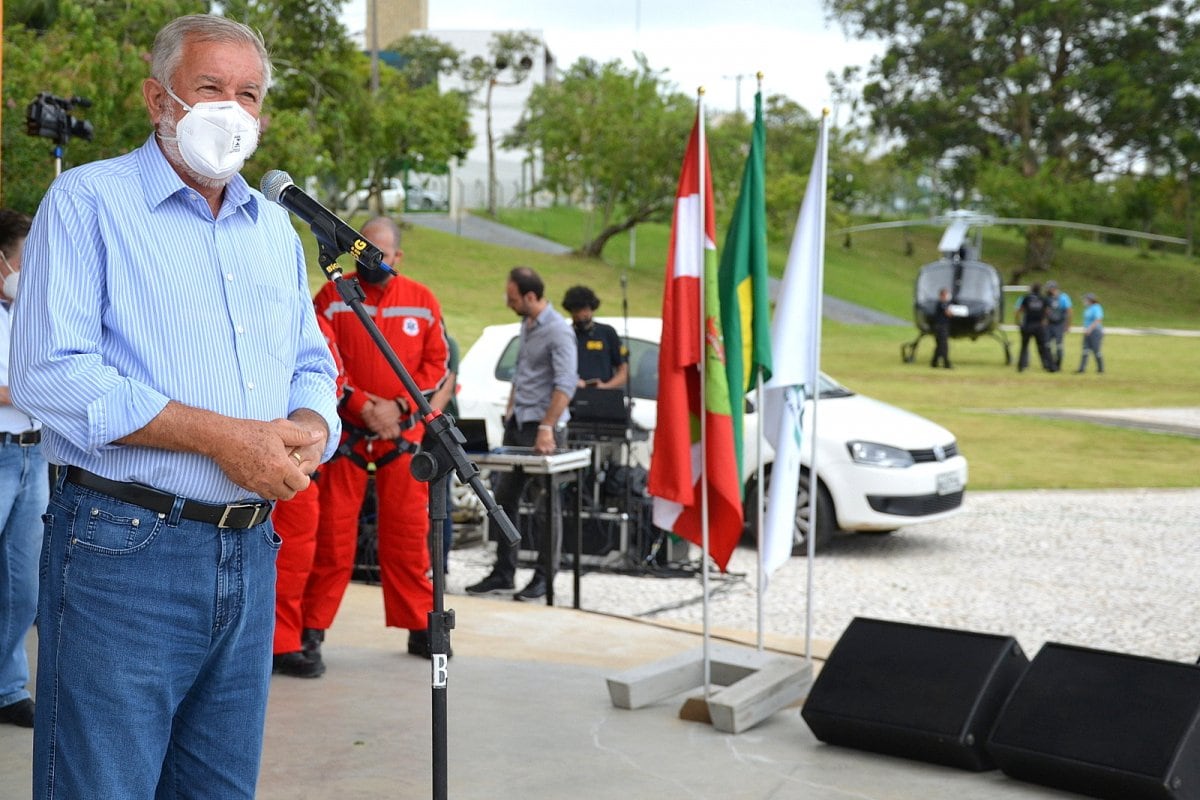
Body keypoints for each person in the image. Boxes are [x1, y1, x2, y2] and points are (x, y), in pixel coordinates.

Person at [9, 15, 340, 798]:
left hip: (250, 547)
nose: (233, 109)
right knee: (103, 785)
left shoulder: (272, 231)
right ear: (160, 98)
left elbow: (310, 360)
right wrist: (222, 439)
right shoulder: (88, 201)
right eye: (211, 88)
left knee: (218, 788)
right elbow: (49, 373)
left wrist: (313, 426)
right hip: (124, 548)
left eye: (249, 94)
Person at [305, 216, 450, 661]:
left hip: (402, 439)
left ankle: (420, 626)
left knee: (408, 538)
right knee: (330, 538)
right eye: (365, 250)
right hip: (346, 436)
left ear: (398, 257)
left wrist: (400, 409)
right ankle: (310, 629)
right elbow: (317, 354)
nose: (373, 259)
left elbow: (436, 365)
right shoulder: (332, 296)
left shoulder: (423, 301)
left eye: (382, 252)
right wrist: (360, 404)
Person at [466, 267, 578, 601]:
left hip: (545, 428)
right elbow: (524, 373)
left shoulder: (558, 331)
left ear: (530, 297)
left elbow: (566, 384)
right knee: (503, 498)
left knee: (547, 507)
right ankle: (504, 572)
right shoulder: (526, 324)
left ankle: (544, 580)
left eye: (513, 298)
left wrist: (546, 427)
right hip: (519, 424)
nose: (508, 302)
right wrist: (511, 409)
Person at [271, 315, 345, 679]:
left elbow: (328, 374)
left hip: (301, 454)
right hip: (241, 448)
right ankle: (276, 641)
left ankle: (293, 637)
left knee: (303, 552)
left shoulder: (312, 322)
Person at [0, 210, 45, 730]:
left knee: (22, 583)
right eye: (21, 257)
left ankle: (8, 687)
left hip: (34, 453)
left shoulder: (29, 311)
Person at [427, 333, 460, 574]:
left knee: (441, 502)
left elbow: (446, 387)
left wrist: (419, 420)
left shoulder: (450, 344)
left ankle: (440, 567)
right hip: (410, 427)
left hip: (436, 430)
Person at [561, 284, 628, 388]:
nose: (581, 315)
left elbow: (623, 371)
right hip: (573, 394)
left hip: (603, 397)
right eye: (577, 311)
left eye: (585, 310)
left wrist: (605, 386)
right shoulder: (565, 335)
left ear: (592, 309)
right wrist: (573, 381)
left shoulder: (607, 333)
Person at [1014, 281, 1055, 372]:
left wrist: (1018, 322)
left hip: (1028, 324)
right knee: (1043, 347)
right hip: (1039, 326)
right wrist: (1045, 321)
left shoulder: (1027, 298)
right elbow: (1048, 311)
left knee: (1024, 346)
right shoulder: (1043, 298)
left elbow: (1019, 310)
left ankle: (1021, 366)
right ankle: (1050, 367)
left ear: (1031, 289)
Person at [1045, 280, 1073, 372]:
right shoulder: (1047, 298)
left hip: (1059, 325)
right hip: (1049, 324)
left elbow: (1069, 311)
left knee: (1059, 345)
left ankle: (1058, 364)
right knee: (1047, 345)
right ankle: (1050, 364)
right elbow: (1046, 311)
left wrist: (1068, 325)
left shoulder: (1063, 298)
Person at [1075, 292, 1105, 373]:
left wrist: (1090, 329)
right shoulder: (1088, 308)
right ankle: (1082, 369)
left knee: (1096, 350)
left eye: (1086, 299)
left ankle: (1100, 369)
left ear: (1090, 300)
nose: (1084, 301)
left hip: (1095, 331)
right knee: (1085, 350)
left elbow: (1098, 319)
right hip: (1087, 332)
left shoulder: (1096, 307)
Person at [931, 286, 953, 369]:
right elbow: (948, 313)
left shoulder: (944, 303)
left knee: (939, 345)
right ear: (942, 295)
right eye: (946, 294)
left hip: (940, 327)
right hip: (941, 327)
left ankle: (934, 362)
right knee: (944, 346)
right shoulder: (942, 303)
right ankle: (946, 363)